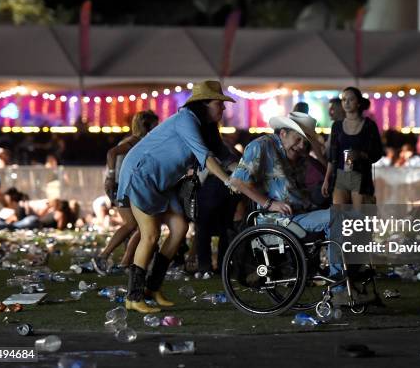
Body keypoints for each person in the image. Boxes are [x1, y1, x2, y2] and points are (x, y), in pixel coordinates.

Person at [117, 80, 236, 313]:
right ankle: (133, 296)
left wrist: (246, 171)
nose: (223, 109)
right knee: (150, 235)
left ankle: (152, 288)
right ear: (204, 104)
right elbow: (207, 158)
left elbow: (226, 156)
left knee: (180, 228)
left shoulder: (206, 127)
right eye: (219, 104)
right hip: (141, 175)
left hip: (163, 182)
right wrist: (228, 180)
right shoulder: (186, 119)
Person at [230, 115, 337, 278]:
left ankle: (350, 275)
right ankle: (340, 284)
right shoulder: (261, 146)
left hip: (298, 213)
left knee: (348, 216)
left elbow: (297, 192)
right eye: (298, 139)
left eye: (305, 142)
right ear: (283, 134)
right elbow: (238, 181)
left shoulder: (298, 155)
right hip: (277, 219)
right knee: (338, 218)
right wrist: (269, 204)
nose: (302, 146)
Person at [92, 110, 159, 275]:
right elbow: (111, 153)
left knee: (140, 227)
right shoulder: (134, 141)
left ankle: (125, 262)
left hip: (125, 186)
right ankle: (104, 256)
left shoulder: (138, 140)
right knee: (132, 225)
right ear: (146, 125)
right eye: (155, 125)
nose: (157, 128)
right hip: (122, 186)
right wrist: (110, 176)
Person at [322, 87, 384, 208]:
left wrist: (360, 154)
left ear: (359, 102)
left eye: (351, 99)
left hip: (360, 175)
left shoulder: (369, 125)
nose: (346, 103)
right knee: (339, 216)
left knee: (359, 218)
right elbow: (332, 157)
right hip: (340, 175)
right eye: (344, 100)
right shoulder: (337, 126)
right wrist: (326, 179)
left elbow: (378, 152)